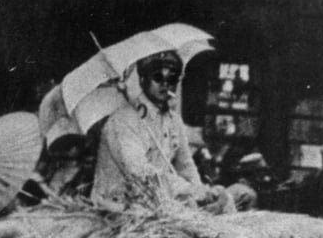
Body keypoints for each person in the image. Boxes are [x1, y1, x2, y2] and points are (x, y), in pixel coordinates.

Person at [91, 51, 233, 214]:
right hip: (117, 207)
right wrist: (189, 190)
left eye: (172, 78)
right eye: (158, 77)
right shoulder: (122, 121)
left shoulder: (173, 120)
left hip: (156, 202)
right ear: (143, 80)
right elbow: (141, 174)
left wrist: (201, 193)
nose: (165, 84)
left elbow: (185, 165)